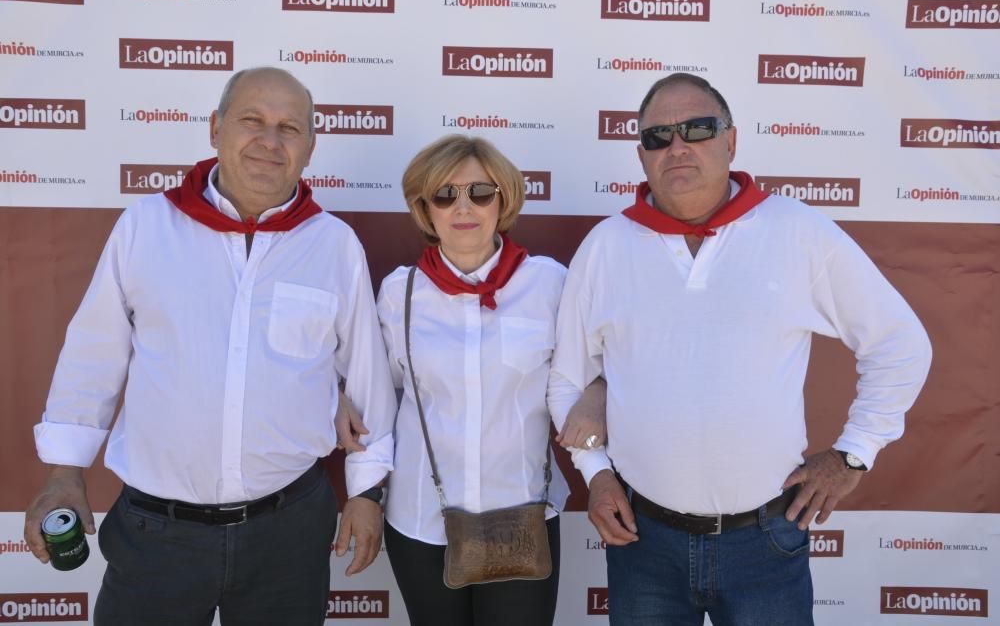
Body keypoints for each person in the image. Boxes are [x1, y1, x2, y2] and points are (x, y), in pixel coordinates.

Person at [546, 73, 933, 626]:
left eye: (697, 129)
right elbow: (566, 378)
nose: (676, 147)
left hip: (766, 541)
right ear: (641, 155)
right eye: (658, 136)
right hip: (644, 542)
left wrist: (854, 454)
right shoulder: (607, 246)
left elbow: (899, 343)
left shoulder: (797, 232)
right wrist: (595, 472)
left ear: (731, 141)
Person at [23, 67, 396, 626]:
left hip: (288, 534)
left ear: (311, 148)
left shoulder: (334, 245)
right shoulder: (147, 226)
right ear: (215, 127)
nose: (270, 141)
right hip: (157, 536)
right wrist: (63, 472)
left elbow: (363, 375)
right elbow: (93, 354)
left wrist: (367, 492)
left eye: (290, 128)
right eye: (253, 120)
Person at [337, 134, 605, 626]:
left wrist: (601, 392)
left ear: (503, 200)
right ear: (425, 208)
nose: (464, 206)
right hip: (421, 521)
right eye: (445, 194)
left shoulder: (549, 284)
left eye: (480, 192)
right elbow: (379, 397)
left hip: (523, 517)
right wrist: (363, 486)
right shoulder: (401, 294)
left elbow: (589, 371)